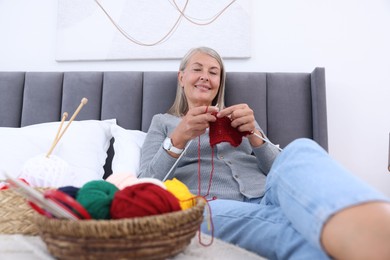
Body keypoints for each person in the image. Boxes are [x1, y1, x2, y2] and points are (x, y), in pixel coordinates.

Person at [138, 46, 390, 259]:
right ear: (181, 77)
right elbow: (145, 182)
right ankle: (367, 231)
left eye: (213, 72)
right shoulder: (163, 123)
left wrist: (255, 137)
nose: (206, 76)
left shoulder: (240, 119)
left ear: (219, 83)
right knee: (295, 231)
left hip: (269, 197)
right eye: (198, 69)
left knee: (301, 148)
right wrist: (178, 138)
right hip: (207, 206)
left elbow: (280, 170)